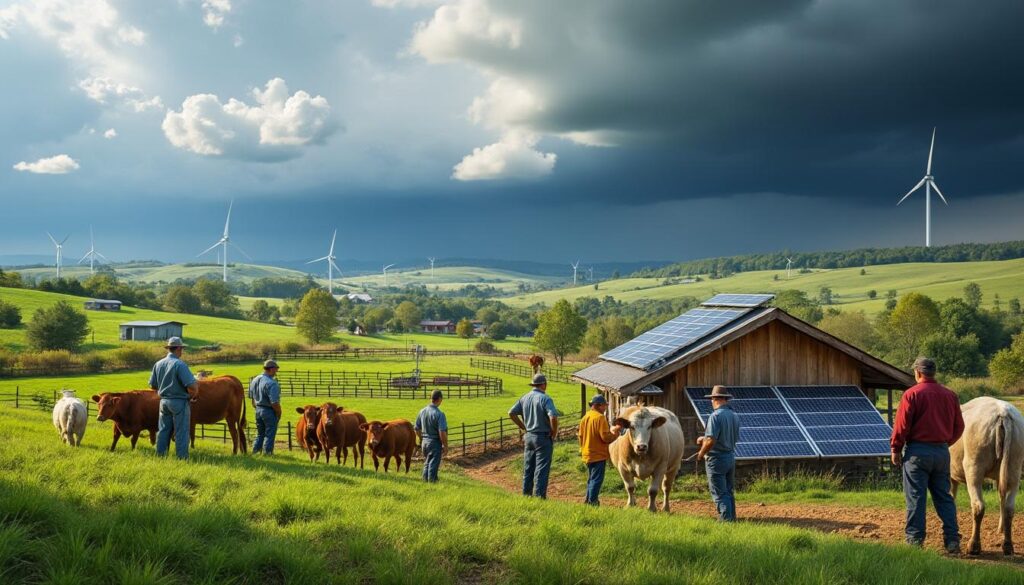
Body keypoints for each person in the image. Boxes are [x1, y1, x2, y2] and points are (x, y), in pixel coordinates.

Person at [891, 357, 965, 553]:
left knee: (916, 496)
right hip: (941, 452)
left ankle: (915, 541)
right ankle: (952, 541)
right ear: (934, 373)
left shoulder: (911, 394)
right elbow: (959, 427)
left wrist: (896, 449)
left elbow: (902, 426)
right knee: (944, 497)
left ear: (917, 373)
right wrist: (944, 443)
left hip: (917, 453)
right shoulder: (950, 395)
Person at [509, 373, 559, 498]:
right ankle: (539, 497)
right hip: (542, 437)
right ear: (543, 384)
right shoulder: (545, 398)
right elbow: (553, 416)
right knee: (541, 469)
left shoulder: (525, 397)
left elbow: (511, 413)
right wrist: (553, 432)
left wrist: (523, 426)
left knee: (528, 467)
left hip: (529, 436)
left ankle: (526, 495)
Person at [149, 336, 199, 460]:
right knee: (181, 431)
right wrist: (192, 396)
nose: (182, 351)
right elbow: (192, 386)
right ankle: (182, 458)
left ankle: (160, 456)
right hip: (179, 401)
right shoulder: (179, 364)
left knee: (163, 430)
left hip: (163, 402)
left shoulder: (158, 364)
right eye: (181, 348)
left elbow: (152, 385)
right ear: (177, 348)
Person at [695, 385, 740, 521]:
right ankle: (732, 519)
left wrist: (701, 453)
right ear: (726, 399)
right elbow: (727, 436)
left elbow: (711, 440)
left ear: (714, 399)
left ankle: (725, 522)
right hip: (730, 457)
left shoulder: (715, 416)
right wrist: (705, 439)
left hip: (716, 459)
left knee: (720, 493)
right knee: (728, 491)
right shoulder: (734, 415)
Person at [577, 394, 622, 506]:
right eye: (604, 406)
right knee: (596, 480)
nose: (605, 408)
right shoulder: (600, 418)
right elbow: (605, 437)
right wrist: (616, 432)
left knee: (591, 479)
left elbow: (580, 436)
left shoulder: (585, 417)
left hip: (587, 453)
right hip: (598, 454)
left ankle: (588, 500)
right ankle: (593, 502)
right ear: (598, 406)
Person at [249, 359, 282, 455]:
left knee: (260, 433)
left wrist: (258, 408)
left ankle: (255, 451)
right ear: (271, 369)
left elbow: (252, 399)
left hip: (258, 409)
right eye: (276, 369)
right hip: (269, 410)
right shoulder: (272, 383)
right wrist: (279, 413)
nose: (276, 372)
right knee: (270, 433)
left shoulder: (255, 379)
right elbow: (274, 402)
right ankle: (267, 453)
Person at [415, 390, 449, 482]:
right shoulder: (439, 414)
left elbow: (416, 428)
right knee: (433, 465)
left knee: (427, 463)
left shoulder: (422, 411)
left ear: (431, 398)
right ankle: (432, 484)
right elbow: (442, 432)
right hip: (434, 443)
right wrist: (445, 446)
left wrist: (422, 439)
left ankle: (425, 482)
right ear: (440, 399)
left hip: (424, 443)